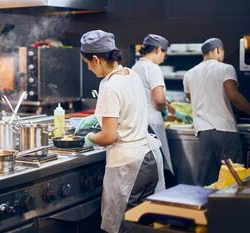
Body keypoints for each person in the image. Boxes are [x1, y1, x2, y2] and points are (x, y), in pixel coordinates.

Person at [76, 30, 165, 233]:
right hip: (149, 158)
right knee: (143, 225)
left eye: (87, 63)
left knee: (123, 227)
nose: (88, 68)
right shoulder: (130, 73)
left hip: (129, 168)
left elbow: (108, 137)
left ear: (97, 59)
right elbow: (127, 112)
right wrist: (98, 118)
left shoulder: (109, 85)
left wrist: (87, 138)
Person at [183, 38, 250, 186]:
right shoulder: (226, 68)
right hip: (225, 131)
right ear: (218, 50)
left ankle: (205, 208)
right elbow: (233, 96)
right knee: (232, 178)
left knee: (206, 181)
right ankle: (230, 208)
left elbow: (190, 98)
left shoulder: (189, 74)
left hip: (203, 132)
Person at [132, 34, 174, 179]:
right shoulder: (153, 68)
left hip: (139, 123)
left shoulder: (135, 67)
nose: (164, 57)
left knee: (147, 167)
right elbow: (159, 99)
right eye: (164, 53)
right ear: (158, 50)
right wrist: (165, 111)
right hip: (152, 124)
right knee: (159, 166)